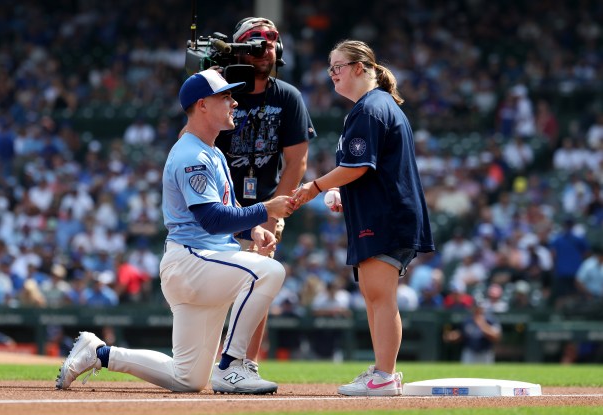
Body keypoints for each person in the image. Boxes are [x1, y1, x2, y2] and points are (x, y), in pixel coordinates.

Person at [56, 69, 295, 394]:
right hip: (194, 263)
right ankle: (232, 367)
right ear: (202, 105)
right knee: (268, 272)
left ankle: (99, 353)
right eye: (224, 96)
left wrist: (252, 229)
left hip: (204, 264)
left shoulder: (211, 151)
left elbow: (225, 210)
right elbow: (211, 219)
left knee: (188, 378)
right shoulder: (191, 155)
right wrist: (266, 209)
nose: (234, 102)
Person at [292, 40, 435, 396]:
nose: (332, 74)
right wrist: (341, 190)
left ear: (361, 67)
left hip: (386, 214)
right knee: (374, 295)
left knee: (379, 294)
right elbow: (367, 170)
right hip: (381, 210)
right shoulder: (371, 107)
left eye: (338, 66)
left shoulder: (370, 108)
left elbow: (356, 167)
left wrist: (317, 187)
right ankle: (381, 369)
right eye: (330, 68)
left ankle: (385, 375)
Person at [214, 16, 316, 371]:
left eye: (271, 41)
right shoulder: (218, 90)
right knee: (217, 289)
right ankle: (211, 360)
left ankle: (247, 363)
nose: (265, 48)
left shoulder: (288, 96)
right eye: (255, 42)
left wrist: (273, 212)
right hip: (220, 206)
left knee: (259, 290)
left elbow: (297, 162)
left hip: (267, 204)